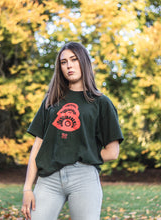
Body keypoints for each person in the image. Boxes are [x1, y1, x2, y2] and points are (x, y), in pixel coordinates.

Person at [21, 42, 124, 220]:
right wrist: (27, 188)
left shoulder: (101, 102)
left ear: (83, 62)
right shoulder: (51, 101)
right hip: (49, 178)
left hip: (84, 177)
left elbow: (112, 152)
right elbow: (38, 146)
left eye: (74, 60)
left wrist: (78, 153)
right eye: (63, 62)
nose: (69, 65)